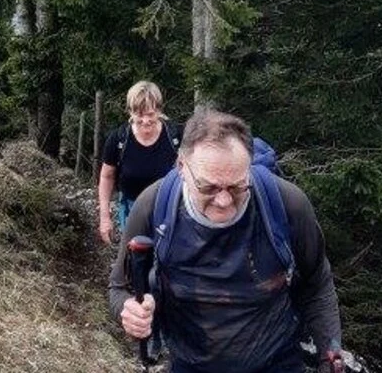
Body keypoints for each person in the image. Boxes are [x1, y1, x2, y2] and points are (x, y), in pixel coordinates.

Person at [108, 109, 345, 373]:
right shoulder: (153, 206)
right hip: (190, 364)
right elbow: (119, 288)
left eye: (237, 187)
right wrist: (129, 312)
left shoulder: (287, 204)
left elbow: (317, 284)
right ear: (181, 167)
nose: (223, 201)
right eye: (208, 188)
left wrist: (330, 357)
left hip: (277, 361)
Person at [97, 81, 181, 245]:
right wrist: (105, 217)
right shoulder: (118, 139)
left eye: (151, 114)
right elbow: (106, 177)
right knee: (136, 259)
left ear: (159, 109)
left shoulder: (176, 136)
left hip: (170, 210)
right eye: (139, 115)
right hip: (131, 209)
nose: (145, 120)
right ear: (130, 112)